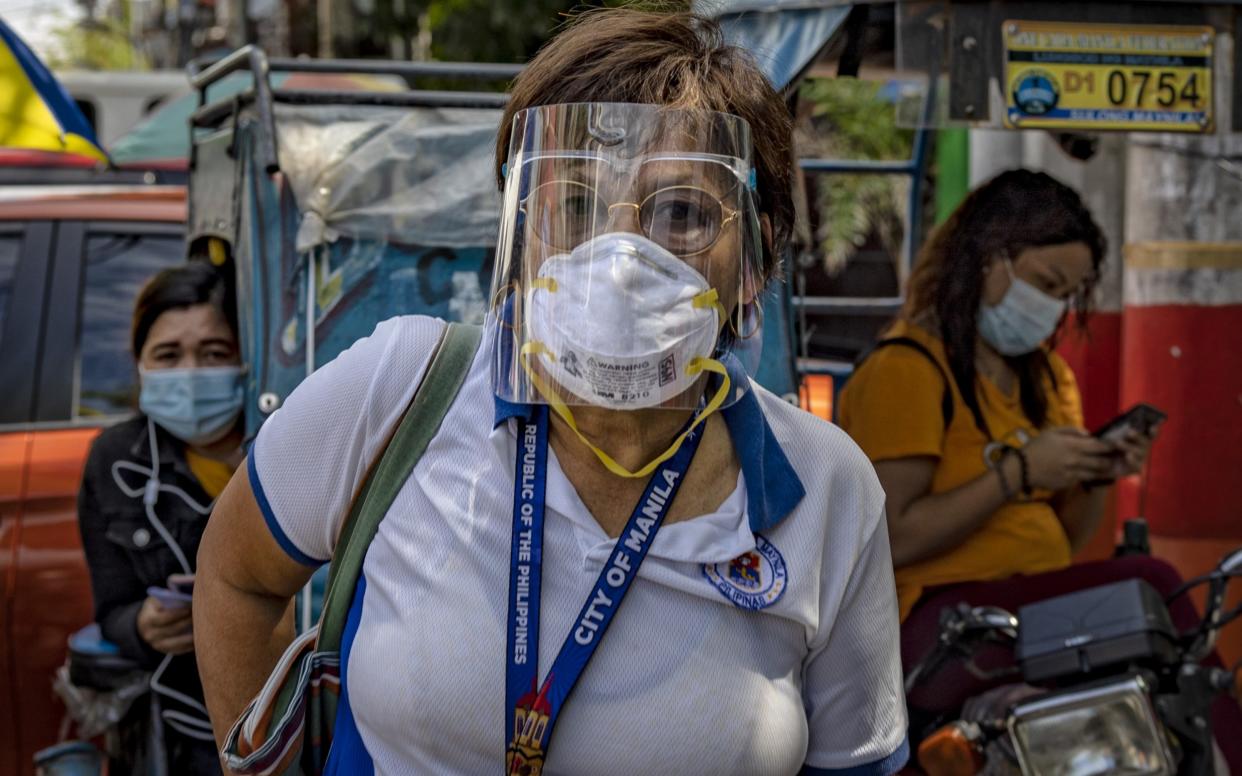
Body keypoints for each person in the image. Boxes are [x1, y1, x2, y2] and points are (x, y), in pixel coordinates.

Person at [194, 9, 909, 776]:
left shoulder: (825, 488)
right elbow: (236, 577)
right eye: (573, 205)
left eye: (684, 214)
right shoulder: (399, 391)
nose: (622, 256)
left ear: (758, 260)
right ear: (519, 229)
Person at [838, 169, 1241, 765]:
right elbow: (889, 539)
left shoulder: (1049, 381)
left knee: (1167, 673)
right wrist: (1017, 474)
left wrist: (1095, 474)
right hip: (941, 628)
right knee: (1154, 584)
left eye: (1065, 296)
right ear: (989, 259)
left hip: (1034, 613)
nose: (1051, 311)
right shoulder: (907, 370)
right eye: (1045, 284)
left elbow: (1067, 542)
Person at [77, 259, 246, 774]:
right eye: (168, 355)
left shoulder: (284, 445)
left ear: (244, 356)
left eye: (213, 353)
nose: (191, 373)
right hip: (186, 732)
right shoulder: (116, 461)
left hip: (292, 718)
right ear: (140, 364)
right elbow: (111, 609)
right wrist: (144, 626)